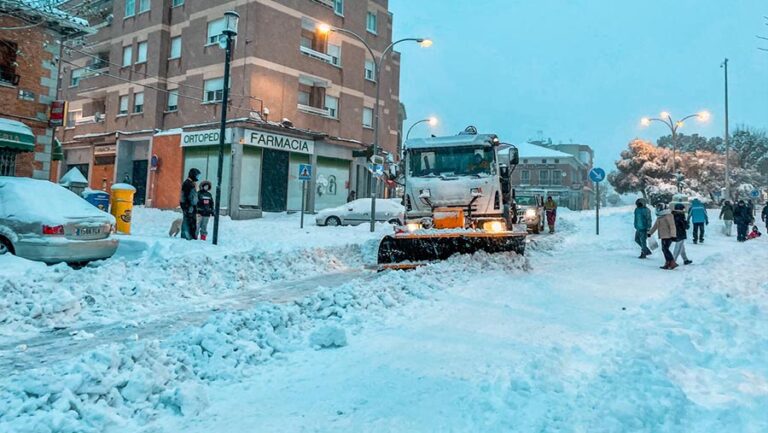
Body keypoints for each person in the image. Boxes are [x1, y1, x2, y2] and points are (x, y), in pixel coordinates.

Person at [648, 202, 678, 270]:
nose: (658, 209)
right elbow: (655, 226)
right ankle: (668, 263)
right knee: (664, 249)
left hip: (669, 236)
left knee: (665, 249)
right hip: (663, 235)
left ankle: (672, 262)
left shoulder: (668, 215)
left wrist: (673, 235)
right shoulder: (660, 217)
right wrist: (650, 233)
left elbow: (672, 226)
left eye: (659, 208)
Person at [180, 168, 200, 240]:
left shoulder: (189, 183)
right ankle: (187, 237)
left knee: (189, 221)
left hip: (188, 206)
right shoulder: (188, 184)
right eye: (197, 175)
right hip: (189, 207)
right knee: (189, 222)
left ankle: (188, 236)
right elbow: (191, 197)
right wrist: (190, 206)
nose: (198, 177)